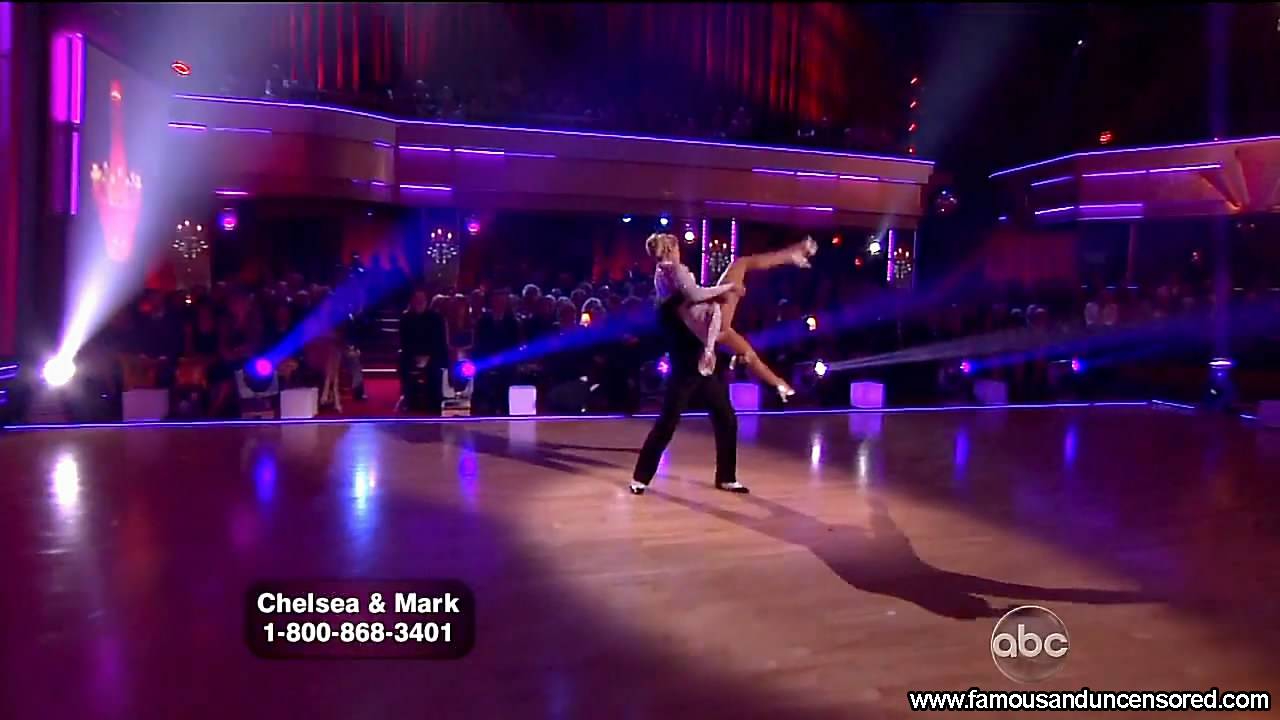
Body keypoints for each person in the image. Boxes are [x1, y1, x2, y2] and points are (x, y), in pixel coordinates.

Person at [646, 232, 816, 402]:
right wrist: (729, 288)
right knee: (742, 263)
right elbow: (695, 294)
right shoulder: (675, 269)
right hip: (712, 318)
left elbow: (685, 302)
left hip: (707, 329)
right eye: (677, 249)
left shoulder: (660, 275)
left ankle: (779, 385)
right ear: (671, 250)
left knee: (747, 352)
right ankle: (792, 255)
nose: (679, 253)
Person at [631, 287, 746, 495]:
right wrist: (724, 291)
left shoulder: (698, 304)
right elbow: (691, 303)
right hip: (683, 373)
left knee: (727, 419)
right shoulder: (670, 308)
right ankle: (640, 478)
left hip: (706, 371)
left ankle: (727, 477)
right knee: (667, 423)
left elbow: (714, 326)